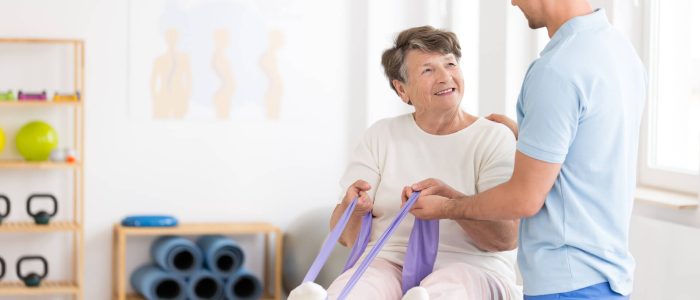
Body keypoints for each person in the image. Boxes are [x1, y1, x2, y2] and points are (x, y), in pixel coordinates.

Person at [406, 1, 646, 299]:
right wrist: (529, 138)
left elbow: (524, 199)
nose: (513, 1)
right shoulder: (618, 50)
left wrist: (447, 208)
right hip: (608, 279)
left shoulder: (557, 69)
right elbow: (588, 151)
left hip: (566, 282)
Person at [326, 26, 522, 299]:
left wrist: (450, 205)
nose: (445, 77)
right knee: (353, 291)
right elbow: (346, 238)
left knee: (447, 291)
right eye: (428, 70)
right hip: (388, 263)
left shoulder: (492, 137)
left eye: (450, 64)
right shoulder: (381, 135)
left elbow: (506, 238)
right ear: (402, 89)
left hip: (473, 268)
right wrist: (354, 208)